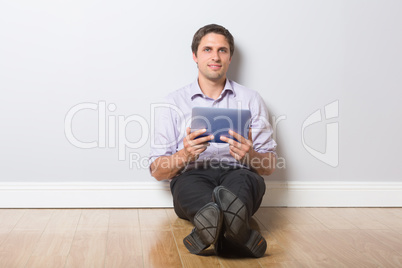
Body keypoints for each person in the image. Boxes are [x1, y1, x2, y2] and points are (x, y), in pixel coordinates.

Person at [149, 24, 277, 258]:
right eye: (207, 49)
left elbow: (268, 166)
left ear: (230, 57)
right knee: (189, 187)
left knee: (241, 184)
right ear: (195, 56)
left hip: (239, 173)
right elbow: (157, 171)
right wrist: (185, 154)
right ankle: (234, 232)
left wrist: (250, 155)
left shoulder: (251, 99)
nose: (215, 56)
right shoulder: (173, 102)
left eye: (222, 50)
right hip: (192, 175)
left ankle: (209, 230)